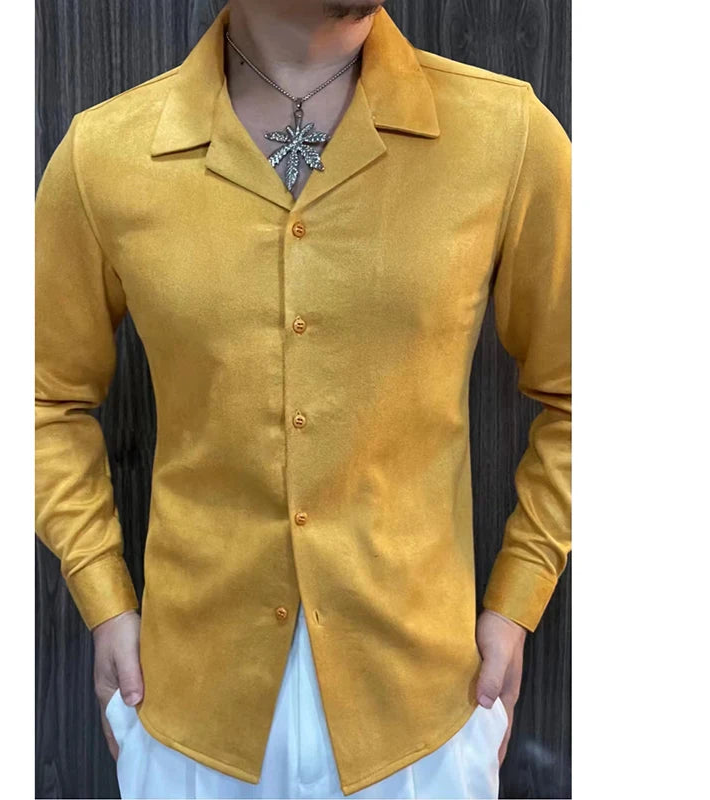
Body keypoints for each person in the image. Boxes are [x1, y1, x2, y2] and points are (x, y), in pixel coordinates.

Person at [35, 0, 572, 798]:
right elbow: (40, 398)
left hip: (426, 714)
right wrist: (102, 596)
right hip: (189, 713)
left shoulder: (504, 134)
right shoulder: (105, 155)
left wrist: (519, 595)